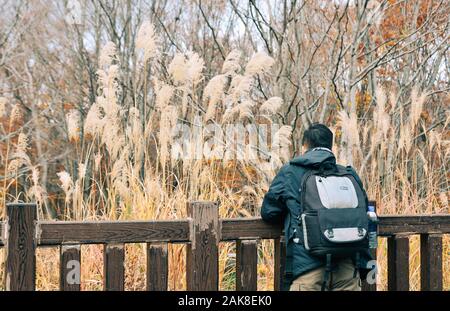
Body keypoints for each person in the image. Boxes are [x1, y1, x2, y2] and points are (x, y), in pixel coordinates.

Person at [260, 123, 372, 291]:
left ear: (305, 145)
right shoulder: (348, 173)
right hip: (347, 267)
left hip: (307, 267)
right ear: (330, 145)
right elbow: (365, 210)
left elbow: (269, 212)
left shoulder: (290, 171)